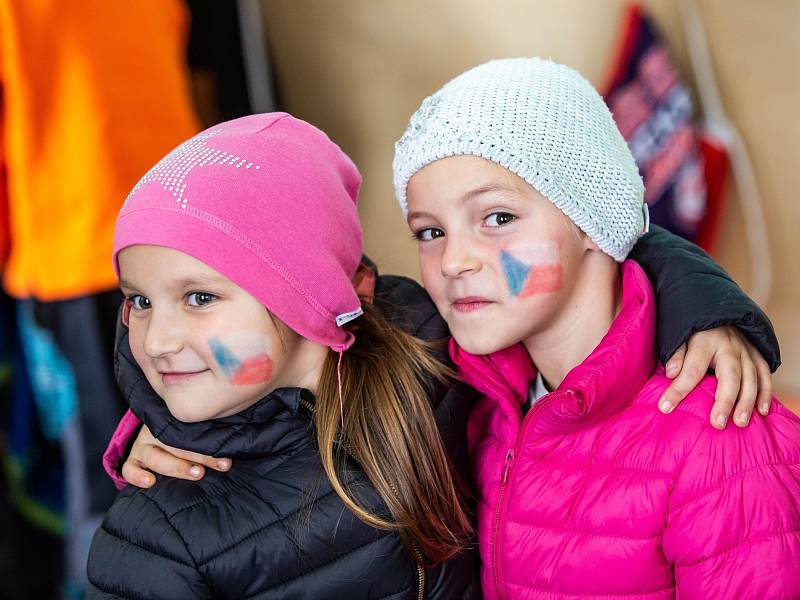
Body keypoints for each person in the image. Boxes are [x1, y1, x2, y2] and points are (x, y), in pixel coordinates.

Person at [392, 57, 800, 598]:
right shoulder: (482, 408)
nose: (452, 262)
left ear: (592, 219)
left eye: (498, 218)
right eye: (430, 231)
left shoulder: (720, 433)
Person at [86, 113, 480, 598]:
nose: (155, 342)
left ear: (308, 295)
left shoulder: (427, 343)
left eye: (199, 298)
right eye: (140, 302)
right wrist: (152, 424)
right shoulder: (158, 537)